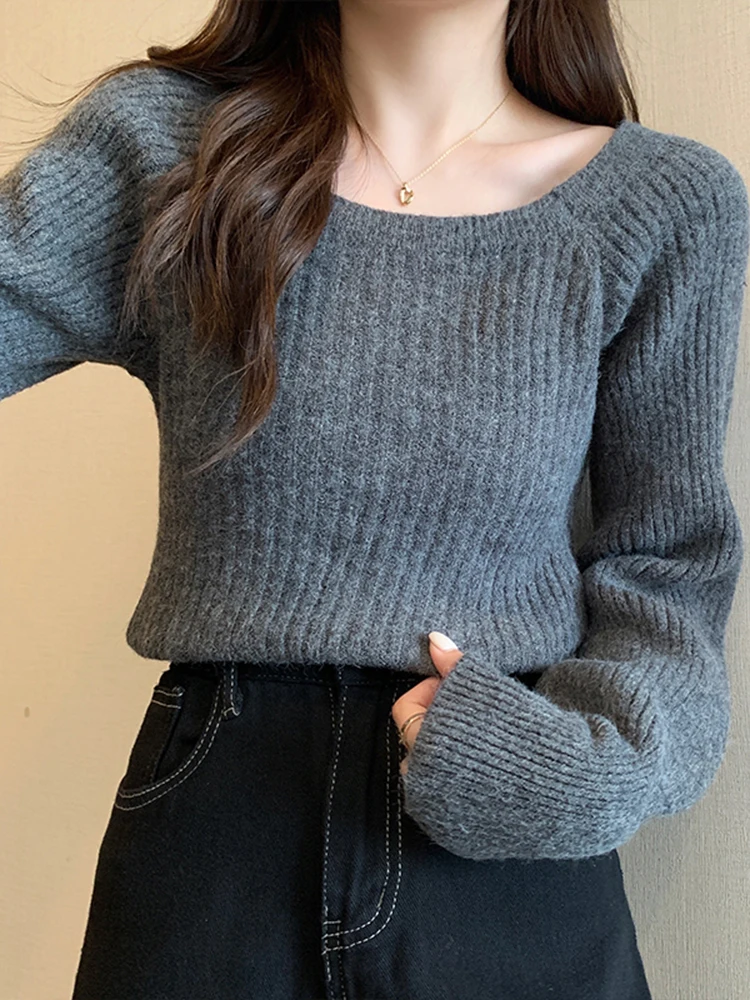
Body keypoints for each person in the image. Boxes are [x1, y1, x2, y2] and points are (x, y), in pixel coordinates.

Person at [2, 1, 748, 998]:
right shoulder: (168, 148)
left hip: (510, 836)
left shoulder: (661, 204)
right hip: (217, 837)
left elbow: (671, 569)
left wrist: (588, 769)